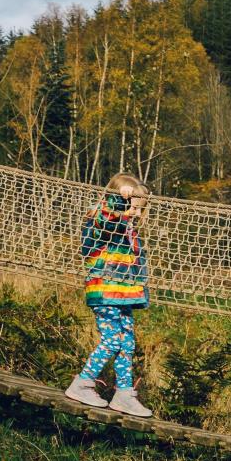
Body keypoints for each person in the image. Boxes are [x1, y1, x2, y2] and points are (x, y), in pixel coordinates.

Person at [65, 172, 153, 418]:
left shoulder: (129, 230)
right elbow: (105, 219)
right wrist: (118, 203)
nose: (135, 213)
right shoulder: (101, 217)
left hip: (124, 293)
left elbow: (135, 265)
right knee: (112, 339)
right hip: (105, 289)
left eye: (139, 209)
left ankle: (124, 394)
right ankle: (82, 383)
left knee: (127, 342)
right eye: (133, 207)